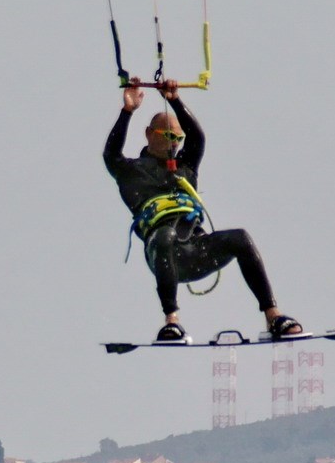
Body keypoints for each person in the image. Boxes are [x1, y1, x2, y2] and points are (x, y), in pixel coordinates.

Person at [104, 79, 302, 343]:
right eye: (167, 136)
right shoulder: (131, 172)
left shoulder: (186, 165)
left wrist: (174, 99)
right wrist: (127, 111)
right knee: (165, 235)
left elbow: (197, 138)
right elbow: (111, 154)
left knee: (240, 237)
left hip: (197, 251)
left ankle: (273, 316)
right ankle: (172, 322)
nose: (174, 143)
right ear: (149, 134)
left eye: (177, 137)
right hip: (162, 252)